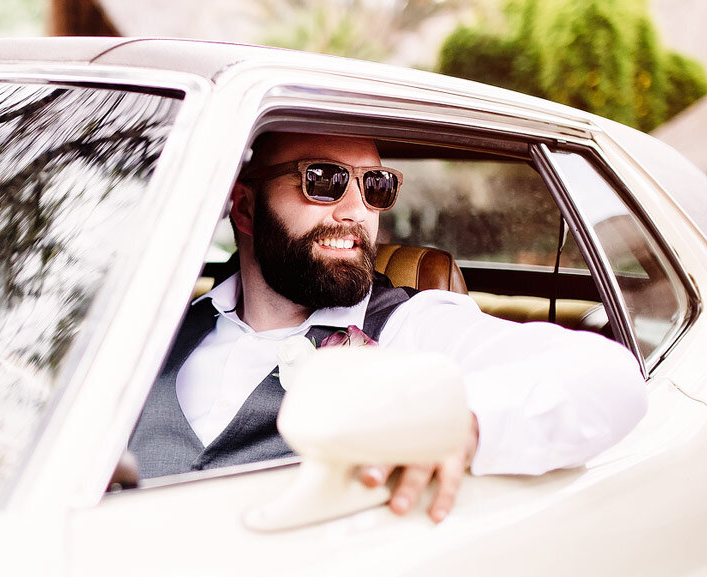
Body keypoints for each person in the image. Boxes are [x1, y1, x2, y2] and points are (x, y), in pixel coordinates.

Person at [129, 132, 647, 522]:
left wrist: (465, 422)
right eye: (324, 180)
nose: (357, 210)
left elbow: (609, 378)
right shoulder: (157, 329)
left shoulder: (415, 327)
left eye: (375, 186)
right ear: (244, 207)